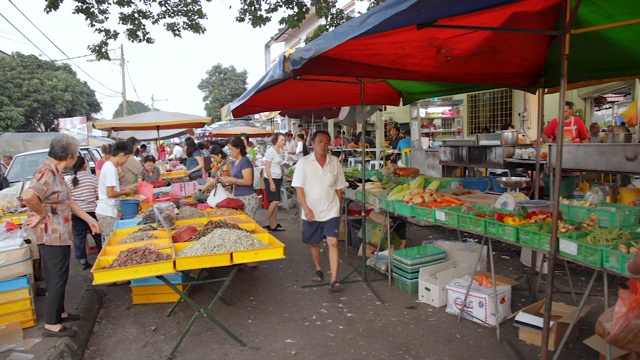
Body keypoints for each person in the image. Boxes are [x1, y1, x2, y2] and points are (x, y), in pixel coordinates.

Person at [22, 134, 102, 338]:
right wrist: (41, 214)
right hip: (50, 233)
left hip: (59, 232)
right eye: (76, 154)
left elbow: (69, 202)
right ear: (69, 156)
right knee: (57, 275)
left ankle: (60, 312)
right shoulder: (47, 172)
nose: (76, 158)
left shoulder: (56, 171)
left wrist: (89, 219)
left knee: (58, 274)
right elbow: (29, 196)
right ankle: (52, 324)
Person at [292, 130, 347, 293]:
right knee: (314, 242)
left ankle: (334, 280)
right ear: (313, 143)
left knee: (333, 242)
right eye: (320, 141)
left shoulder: (335, 162)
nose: (323, 145)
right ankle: (318, 268)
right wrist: (306, 208)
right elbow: (299, 188)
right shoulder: (304, 162)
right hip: (311, 211)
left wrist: (338, 206)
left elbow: (339, 187)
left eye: (326, 142)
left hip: (331, 210)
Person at [96, 141, 137, 247]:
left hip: (108, 211)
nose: (126, 160)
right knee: (111, 243)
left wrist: (128, 187)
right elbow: (110, 193)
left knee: (110, 241)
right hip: (107, 212)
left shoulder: (109, 166)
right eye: (127, 157)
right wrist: (126, 192)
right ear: (121, 155)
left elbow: (114, 188)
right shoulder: (110, 168)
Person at [67, 155, 102, 270]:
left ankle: (82, 260)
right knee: (97, 234)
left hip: (76, 213)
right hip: (92, 211)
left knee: (79, 237)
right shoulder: (92, 178)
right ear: (85, 166)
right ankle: (102, 255)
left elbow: (68, 198)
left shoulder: (69, 181)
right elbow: (98, 195)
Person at [218, 136, 260, 219]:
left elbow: (248, 181)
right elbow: (235, 181)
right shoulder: (234, 162)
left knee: (246, 223)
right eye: (228, 149)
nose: (229, 152)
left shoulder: (245, 161)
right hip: (239, 197)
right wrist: (226, 180)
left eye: (231, 149)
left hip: (248, 198)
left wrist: (232, 179)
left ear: (239, 148)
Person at [263, 133, 286, 231]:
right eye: (281, 140)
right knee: (275, 201)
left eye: (283, 140)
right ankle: (267, 223)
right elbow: (267, 168)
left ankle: (274, 223)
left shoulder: (279, 151)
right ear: (275, 140)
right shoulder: (270, 151)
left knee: (275, 202)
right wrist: (271, 182)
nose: (283, 142)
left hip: (277, 177)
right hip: (270, 178)